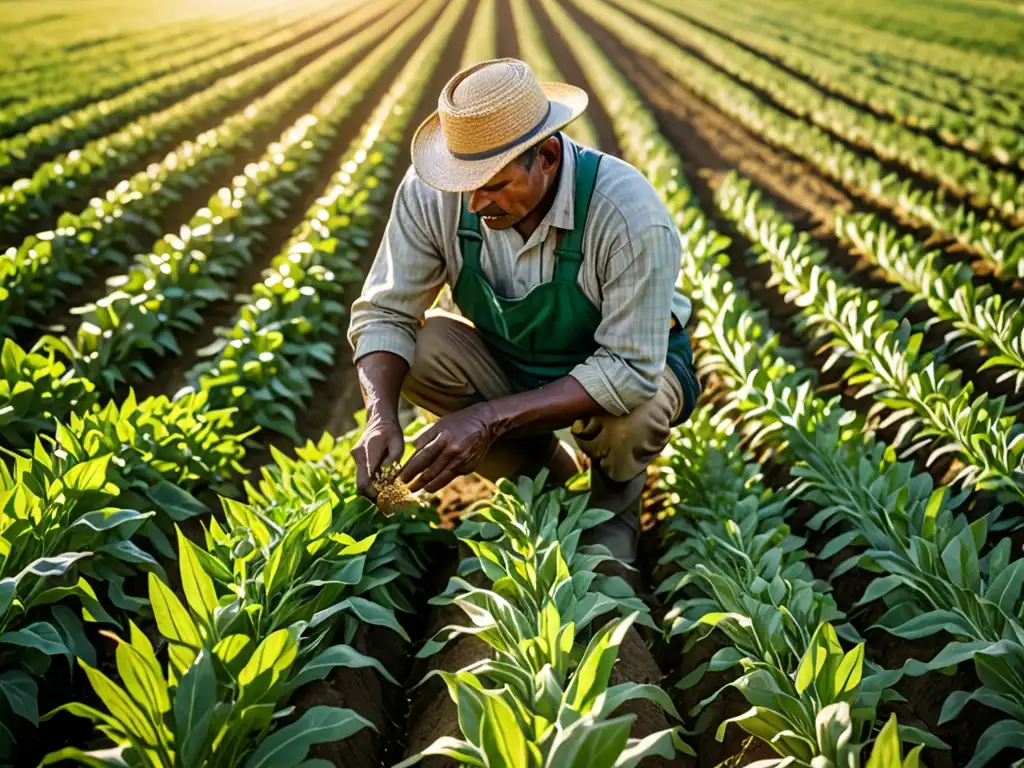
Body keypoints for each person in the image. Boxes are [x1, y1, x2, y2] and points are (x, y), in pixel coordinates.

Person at [347, 58, 699, 563]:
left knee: (633, 416)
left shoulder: (627, 214)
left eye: (492, 183)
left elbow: (629, 369)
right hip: (509, 357)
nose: (473, 203)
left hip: (625, 367)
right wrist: (379, 417)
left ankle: (615, 512)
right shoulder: (435, 194)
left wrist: (487, 420)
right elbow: (384, 313)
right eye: (461, 183)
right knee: (420, 354)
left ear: (549, 156)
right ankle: (545, 478)